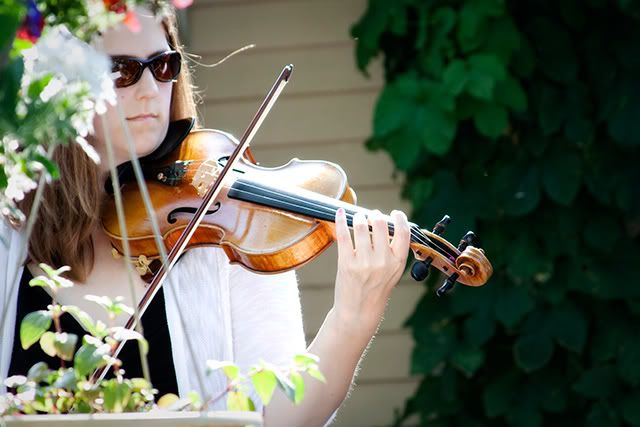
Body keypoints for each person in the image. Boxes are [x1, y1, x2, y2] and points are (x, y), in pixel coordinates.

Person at [0, 4, 411, 426]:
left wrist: (353, 316)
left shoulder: (223, 227)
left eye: (162, 66)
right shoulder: (9, 232)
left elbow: (281, 417)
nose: (148, 90)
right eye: (121, 71)